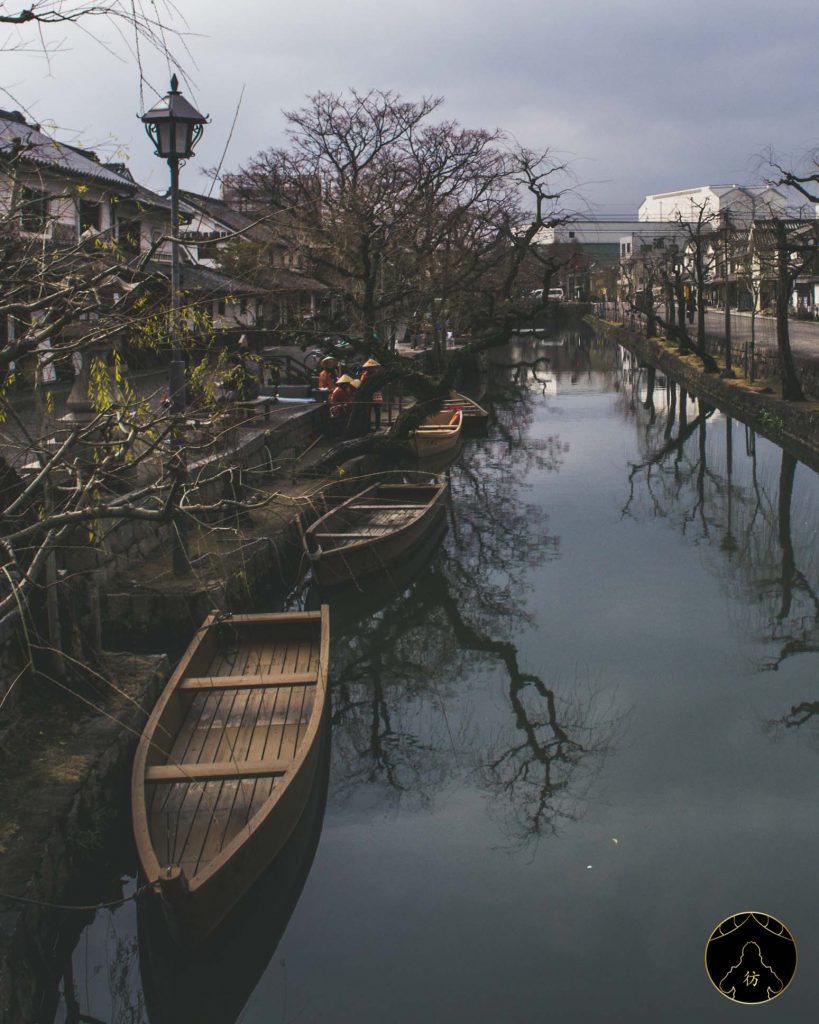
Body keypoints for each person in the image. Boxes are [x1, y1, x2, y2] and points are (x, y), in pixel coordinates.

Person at [359, 357, 384, 431]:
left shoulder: (378, 375)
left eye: (372, 367)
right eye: (369, 367)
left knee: (377, 411)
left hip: (376, 393)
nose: (371, 369)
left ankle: (377, 426)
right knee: (368, 411)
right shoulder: (364, 375)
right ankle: (368, 426)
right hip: (368, 394)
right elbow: (362, 384)